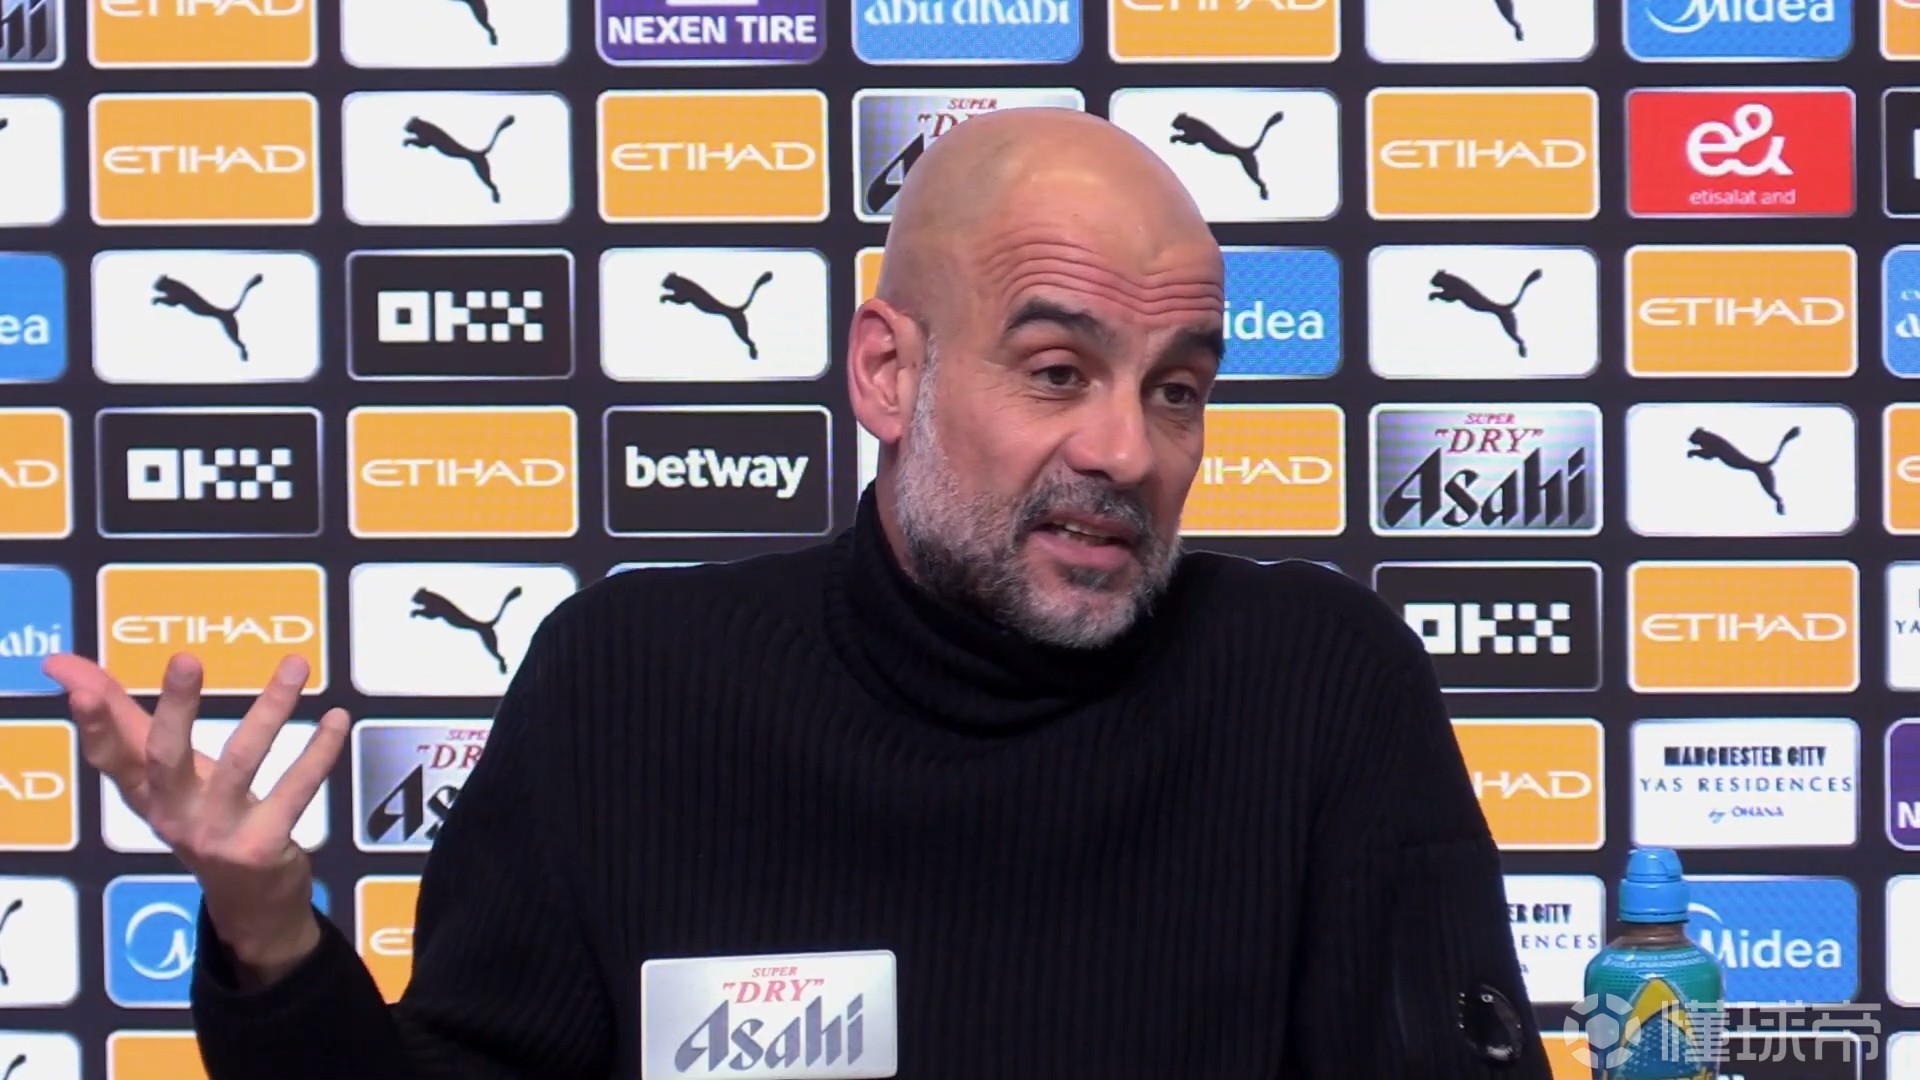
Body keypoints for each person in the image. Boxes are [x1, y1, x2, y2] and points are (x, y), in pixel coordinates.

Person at [44, 107, 1550, 1079]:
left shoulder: (1317, 686)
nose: (1125, 450)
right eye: (1056, 372)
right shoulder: (627, 687)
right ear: (888, 372)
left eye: (1176, 391)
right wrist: (272, 936)